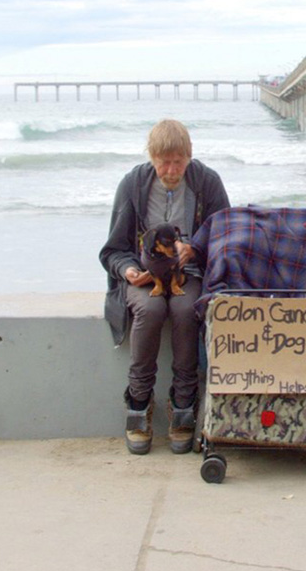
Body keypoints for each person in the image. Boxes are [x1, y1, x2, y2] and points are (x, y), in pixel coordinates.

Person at [99, 120, 229, 455]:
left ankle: (183, 403)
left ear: (190, 156)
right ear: (151, 158)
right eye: (163, 163)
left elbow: (227, 237)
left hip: (190, 272)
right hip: (146, 274)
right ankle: (139, 402)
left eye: (178, 163)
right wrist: (128, 270)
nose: (171, 171)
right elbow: (113, 249)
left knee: (187, 309)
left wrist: (195, 248)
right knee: (151, 308)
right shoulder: (132, 185)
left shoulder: (207, 182)